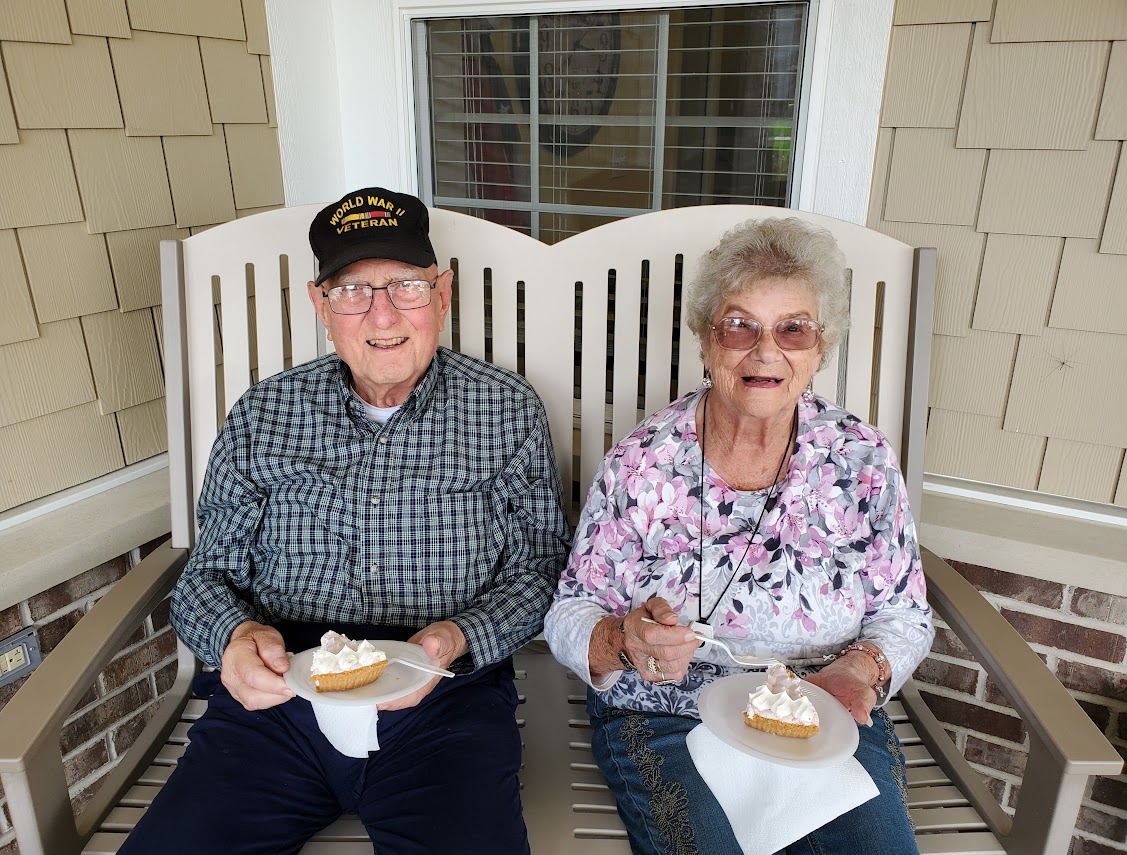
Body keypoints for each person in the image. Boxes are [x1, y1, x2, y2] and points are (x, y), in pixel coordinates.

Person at [122, 187, 571, 854]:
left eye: (406, 286)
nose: (382, 314)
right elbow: (206, 574)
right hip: (281, 700)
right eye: (353, 291)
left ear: (442, 295)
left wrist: (455, 638)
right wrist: (235, 636)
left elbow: (541, 567)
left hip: (446, 695)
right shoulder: (264, 415)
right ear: (321, 305)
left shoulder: (505, 410)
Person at [544, 216, 934, 855]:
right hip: (667, 711)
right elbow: (571, 609)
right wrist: (622, 641)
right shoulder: (643, 462)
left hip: (822, 706)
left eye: (793, 328)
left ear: (820, 347)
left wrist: (859, 671)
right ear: (706, 339)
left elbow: (904, 614)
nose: (765, 351)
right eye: (739, 325)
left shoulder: (861, 459)